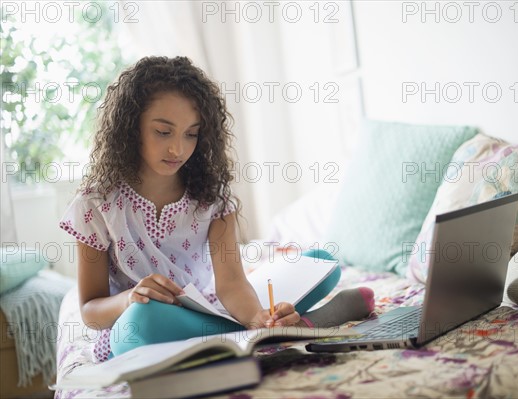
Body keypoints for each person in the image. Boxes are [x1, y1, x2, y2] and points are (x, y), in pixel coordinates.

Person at [59, 56, 374, 362]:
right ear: (131, 128)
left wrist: (256, 317)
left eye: (191, 134)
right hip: (141, 320)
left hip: (209, 309)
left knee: (322, 263)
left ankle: (261, 332)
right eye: (163, 131)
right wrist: (130, 298)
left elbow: (232, 284)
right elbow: (90, 310)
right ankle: (302, 326)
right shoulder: (95, 205)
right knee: (140, 323)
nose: (178, 148)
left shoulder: (211, 193)